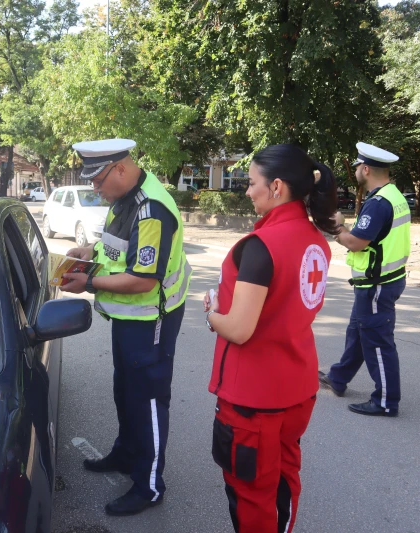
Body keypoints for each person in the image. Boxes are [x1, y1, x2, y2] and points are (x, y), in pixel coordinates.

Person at [202, 144, 338, 532]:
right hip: (296, 387)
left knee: (250, 495)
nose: (247, 191)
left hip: (253, 399)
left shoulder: (262, 247)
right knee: (284, 479)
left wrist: (212, 313)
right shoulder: (315, 239)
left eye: (251, 183)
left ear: (276, 186)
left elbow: (241, 329)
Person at [60, 138, 192, 516]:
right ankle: (126, 453)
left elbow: (142, 280)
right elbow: (119, 249)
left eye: (98, 181)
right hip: (129, 318)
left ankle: (150, 485)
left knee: (147, 398)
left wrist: (89, 282)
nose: (96, 190)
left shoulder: (151, 209)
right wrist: (91, 255)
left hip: (150, 319)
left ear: (120, 168)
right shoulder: (124, 198)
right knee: (125, 390)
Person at [319, 143, 410, 417]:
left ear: (366, 169)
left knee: (378, 342)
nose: (356, 170)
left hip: (377, 285)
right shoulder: (394, 195)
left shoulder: (379, 203)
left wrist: (337, 226)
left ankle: (385, 402)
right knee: (359, 333)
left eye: (358, 166)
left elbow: (357, 243)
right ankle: (339, 377)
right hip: (381, 282)